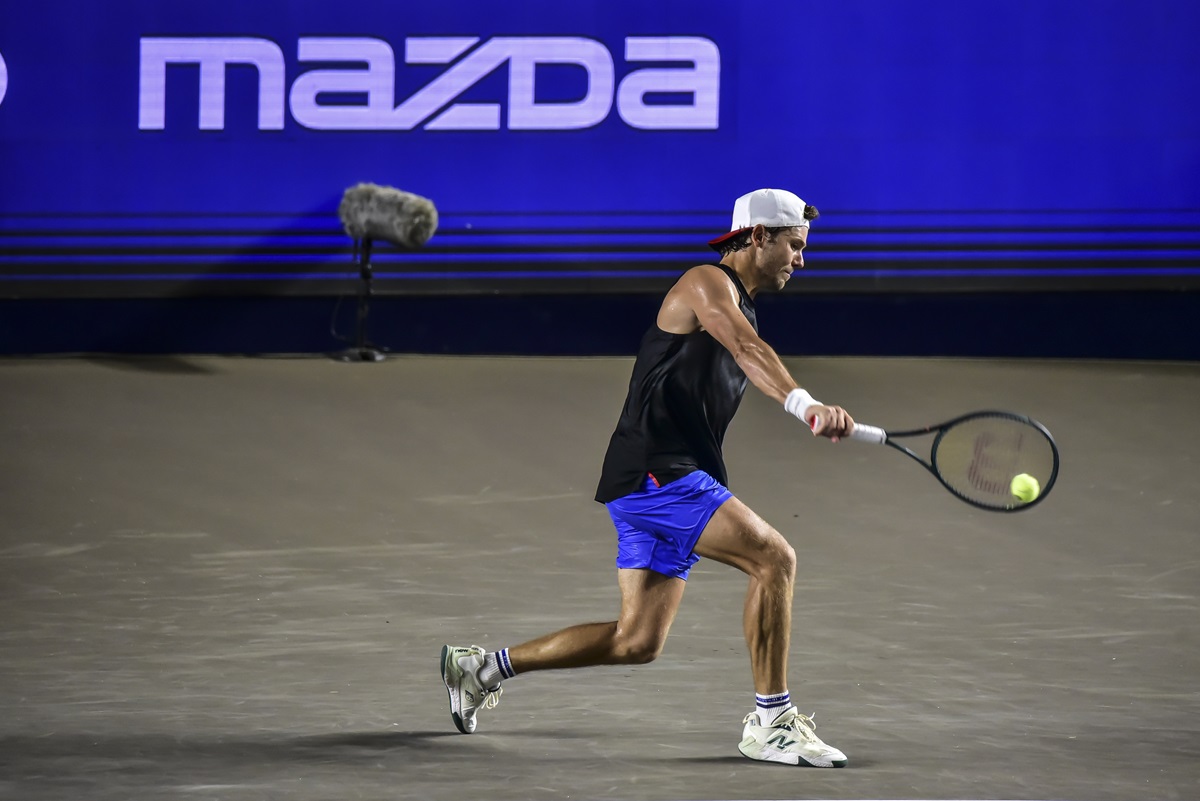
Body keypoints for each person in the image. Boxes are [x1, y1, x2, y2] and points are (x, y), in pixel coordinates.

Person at [441, 188, 856, 767]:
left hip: (657, 478)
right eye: (794, 245)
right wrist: (804, 405)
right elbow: (744, 346)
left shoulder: (741, 302)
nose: (801, 260)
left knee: (635, 641)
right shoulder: (705, 282)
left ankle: (481, 669)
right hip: (658, 475)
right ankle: (772, 723)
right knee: (774, 559)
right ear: (759, 236)